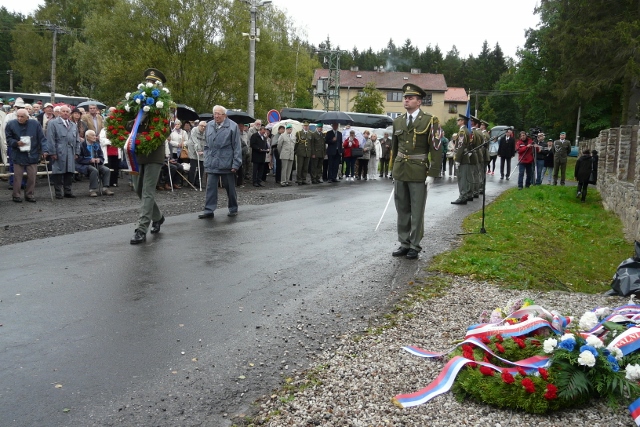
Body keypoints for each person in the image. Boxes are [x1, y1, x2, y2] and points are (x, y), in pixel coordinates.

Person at [391, 83, 442, 259]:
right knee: (402, 208)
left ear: (419, 101)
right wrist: (393, 171)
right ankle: (404, 242)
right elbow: (394, 148)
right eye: (405, 97)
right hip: (400, 170)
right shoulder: (398, 121)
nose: (406, 100)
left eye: (410, 98)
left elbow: (436, 149)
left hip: (418, 171)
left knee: (417, 210)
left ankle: (415, 245)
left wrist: (433, 173)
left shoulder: (430, 121)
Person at [126, 68, 172, 244]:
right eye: (148, 82)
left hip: (154, 153)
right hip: (137, 152)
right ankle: (158, 217)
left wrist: (150, 130)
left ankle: (141, 228)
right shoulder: (136, 103)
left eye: (153, 82)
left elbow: (166, 129)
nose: (150, 85)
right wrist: (139, 119)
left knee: (147, 191)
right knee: (138, 189)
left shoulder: (164, 105)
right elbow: (126, 124)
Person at [199, 105, 242, 219]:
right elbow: (206, 144)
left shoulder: (233, 126)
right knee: (210, 187)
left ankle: (233, 208)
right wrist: (206, 156)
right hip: (212, 161)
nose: (216, 116)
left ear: (225, 115)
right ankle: (209, 210)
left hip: (227, 162)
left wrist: (236, 163)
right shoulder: (209, 125)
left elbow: (237, 146)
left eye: (219, 114)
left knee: (230, 188)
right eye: (215, 114)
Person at [4, 108, 49, 202]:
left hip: (32, 153)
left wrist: (45, 150)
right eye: (18, 116)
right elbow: (8, 138)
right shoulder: (11, 124)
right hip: (18, 153)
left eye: (22, 117)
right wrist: (16, 143)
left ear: (27, 117)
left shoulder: (35, 124)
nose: (19, 118)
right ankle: (16, 195)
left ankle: (29, 194)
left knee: (32, 176)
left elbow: (42, 138)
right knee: (17, 177)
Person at [46, 105, 81, 199]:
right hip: (59, 151)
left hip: (71, 151)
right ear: (59, 112)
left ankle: (68, 191)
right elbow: (50, 139)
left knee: (69, 172)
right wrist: (53, 152)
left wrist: (77, 152)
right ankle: (58, 192)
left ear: (70, 113)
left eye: (67, 111)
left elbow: (77, 140)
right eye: (63, 111)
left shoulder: (73, 125)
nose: (65, 113)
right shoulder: (53, 123)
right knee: (58, 172)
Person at [75, 129, 114, 197]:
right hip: (83, 164)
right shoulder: (81, 145)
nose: (95, 137)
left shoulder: (97, 144)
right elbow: (78, 158)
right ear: (87, 137)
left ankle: (105, 188)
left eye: (95, 135)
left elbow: (102, 157)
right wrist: (89, 160)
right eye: (93, 135)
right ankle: (92, 190)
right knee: (94, 170)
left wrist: (99, 160)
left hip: (95, 164)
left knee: (106, 170)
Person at [451, 114, 473, 204]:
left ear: (462, 121)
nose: (457, 121)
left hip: (462, 158)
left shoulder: (462, 132)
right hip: (464, 157)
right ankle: (465, 195)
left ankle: (462, 197)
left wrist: (457, 160)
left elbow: (461, 146)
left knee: (462, 178)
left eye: (458, 120)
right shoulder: (466, 130)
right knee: (464, 178)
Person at [187, 120, 206, 189]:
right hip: (193, 149)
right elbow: (195, 140)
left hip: (201, 150)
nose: (203, 127)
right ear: (198, 125)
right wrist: (198, 149)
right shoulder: (194, 130)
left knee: (202, 167)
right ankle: (190, 182)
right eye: (202, 126)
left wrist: (203, 150)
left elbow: (205, 141)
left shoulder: (205, 132)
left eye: (204, 126)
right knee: (193, 166)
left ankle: (197, 182)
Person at [295, 121, 312, 185]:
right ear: (303, 126)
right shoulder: (299, 133)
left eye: (307, 126)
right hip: (300, 152)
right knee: (300, 166)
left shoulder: (311, 133)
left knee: (305, 167)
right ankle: (299, 179)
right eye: (305, 126)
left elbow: (311, 144)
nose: (306, 127)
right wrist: (295, 151)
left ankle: (304, 179)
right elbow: (296, 143)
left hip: (307, 152)